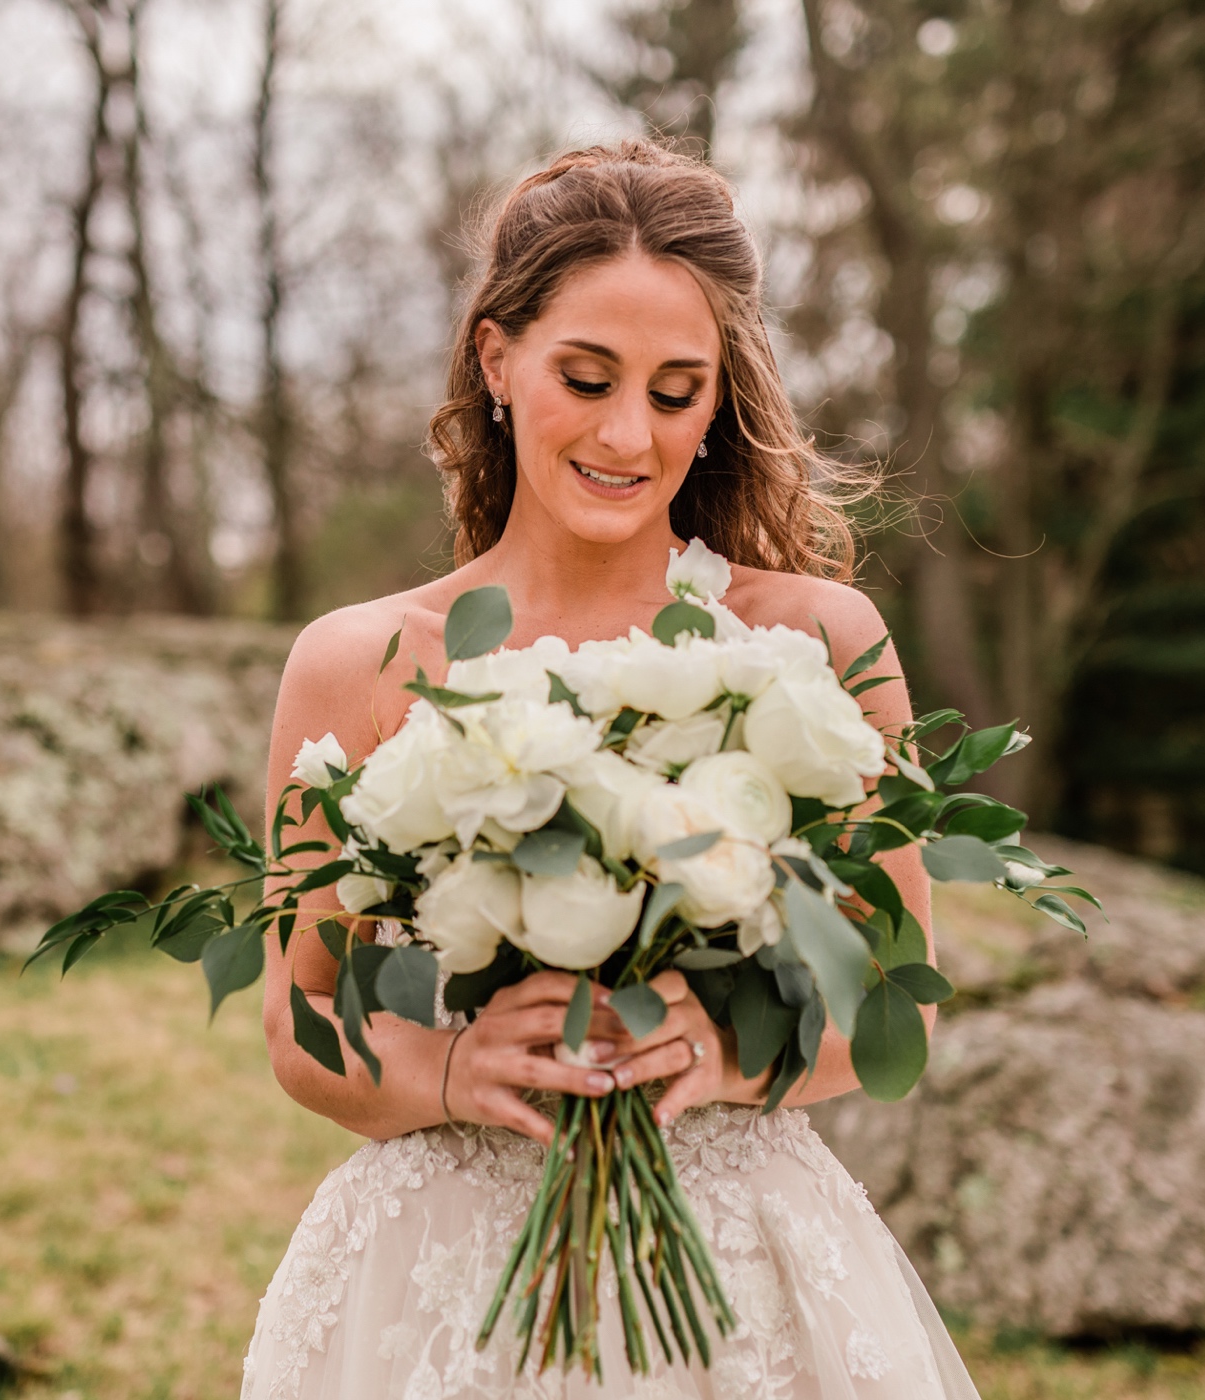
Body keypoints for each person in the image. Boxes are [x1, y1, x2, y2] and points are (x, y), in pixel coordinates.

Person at [239, 140, 980, 1399]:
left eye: (678, 390)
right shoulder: (355, 663)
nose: (630, 432)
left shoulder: (813, 646)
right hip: (441, 1274)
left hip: (735, 1260)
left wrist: (728, 1057)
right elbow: (300, 1015)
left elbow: (891, 986)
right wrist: (452, 1069)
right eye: (587, 377)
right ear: (497, 357)